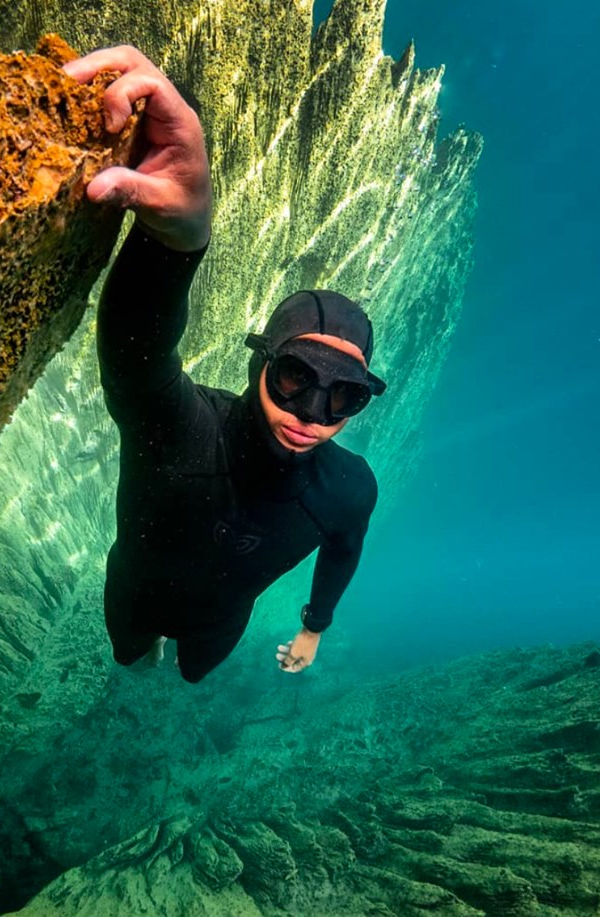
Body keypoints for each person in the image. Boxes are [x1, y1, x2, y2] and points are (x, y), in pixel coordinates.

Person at [63, 46, 386, 683]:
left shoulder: (350, 489)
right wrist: (174, 241)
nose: (312, 416)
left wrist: (313, 627)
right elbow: (137, 352)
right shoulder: (178, 425)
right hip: (133, 596)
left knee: (193, 675)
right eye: (295, 377)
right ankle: (146, 653)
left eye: (343, 397)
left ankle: (172, 660)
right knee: (132, 658)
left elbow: (344, 548)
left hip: (220, 622)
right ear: (262, 362)